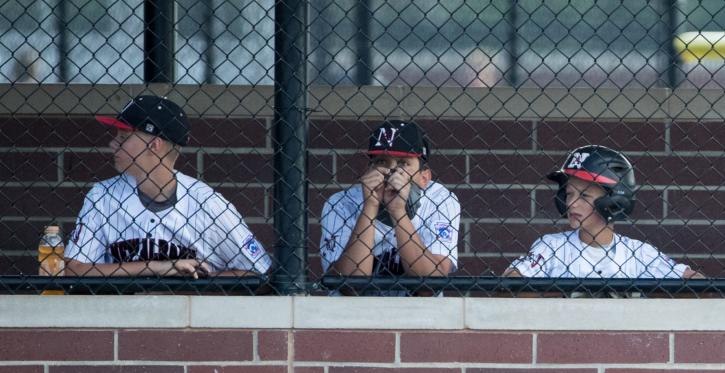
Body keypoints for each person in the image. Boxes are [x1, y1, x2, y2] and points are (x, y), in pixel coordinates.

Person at [65, 95, 271, 278]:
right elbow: (72, 270)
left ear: (154, 145)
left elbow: (257, 271)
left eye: (123, 137)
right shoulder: (103, 196)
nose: (113, 144)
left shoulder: (207, 203)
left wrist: (197, 282)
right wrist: (155, 267)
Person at [503, 144, 700, 294]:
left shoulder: (639, 253)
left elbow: (699, 285)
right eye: (569, 194)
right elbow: (509, 283)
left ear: (614, 199)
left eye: (584, 196)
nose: (572, 204)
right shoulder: (552, 246)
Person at [320, 119, 459, 294]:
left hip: (421, 316)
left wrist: (398, 212)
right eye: (382, 162)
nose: (392, 172)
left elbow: (429, 286)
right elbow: (351, 288)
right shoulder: (341, 203)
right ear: (368, 169)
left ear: (424, 177)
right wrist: (370, 206)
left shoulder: (440, 199)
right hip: (356, 316)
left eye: (403, 163)